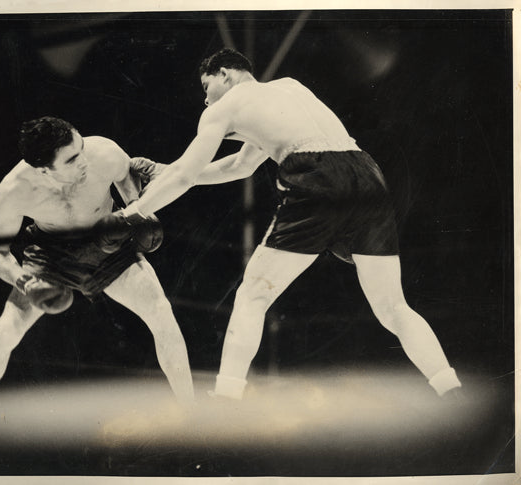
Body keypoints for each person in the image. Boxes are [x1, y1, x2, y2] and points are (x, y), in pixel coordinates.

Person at [122, 48, 462, 401]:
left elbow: (186, 174)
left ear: (224, 73)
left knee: (253, 294)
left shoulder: (225, 107)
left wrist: (133, 212)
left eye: (206, 87)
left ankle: (225, 400)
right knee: (393, 306)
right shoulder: (290, 88)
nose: (205, 100)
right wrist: (166, 171)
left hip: (316, 174)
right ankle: (449, 388)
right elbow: (238, 167)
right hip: (366, 172)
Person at [0, 116, 194, 415]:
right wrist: (24, 281)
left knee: (161, 312)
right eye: (71, 159)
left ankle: (191, 415)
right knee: (5, 333)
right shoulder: (13, 191)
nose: (84, 160)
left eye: (80, 148)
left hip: (108, 246)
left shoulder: (103, 152)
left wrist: (136, 211)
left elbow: (124, 175)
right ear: (43, 169)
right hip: (52, 255)